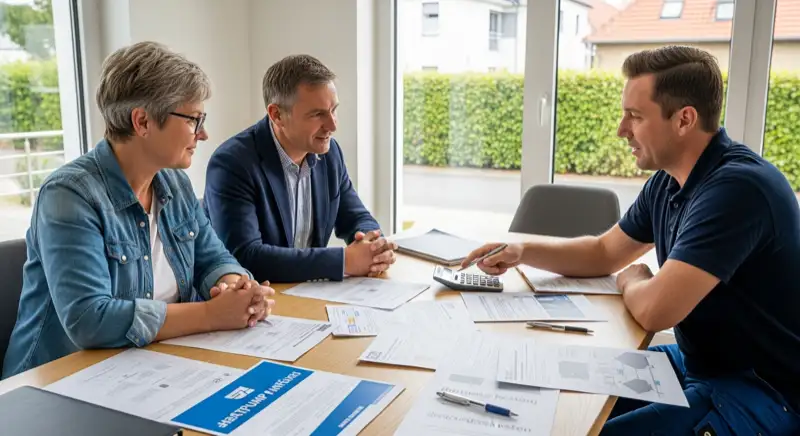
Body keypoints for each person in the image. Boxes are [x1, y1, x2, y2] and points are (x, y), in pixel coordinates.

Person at [462, 46, 800, 435]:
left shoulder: (738, 190)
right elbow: (605, 251)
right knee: (556, 399)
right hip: (697, 363)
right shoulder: (669, 181)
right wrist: (523, 251)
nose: (622, 129)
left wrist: (632, 280)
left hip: (763, 391)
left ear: (684, 120)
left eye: (635, 116)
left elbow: (657, 311)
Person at [2, 42, 275, 379]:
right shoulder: (69, 195)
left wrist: (237, 289)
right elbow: (89, 320)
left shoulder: (174, 182)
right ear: (143, 121)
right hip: (55, 385)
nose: (203, 134)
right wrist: (211, 314)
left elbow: (213, 257)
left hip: (145, 368)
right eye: (194, 119)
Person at [204, 54, 396, 283]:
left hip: (307, 296)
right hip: (261, 300)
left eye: (333, 109)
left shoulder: (330, 153)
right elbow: (246, 257)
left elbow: (355, 216)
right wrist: (344, 261)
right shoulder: (232, 163)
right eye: (317, 114)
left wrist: (375, 247)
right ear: (277, 115)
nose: (333, 125)